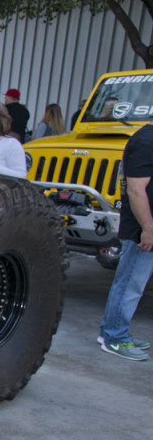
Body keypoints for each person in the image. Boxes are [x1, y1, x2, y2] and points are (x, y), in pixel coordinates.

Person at [97, 122, 153, 361]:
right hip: (141, 229)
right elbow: (136, 191)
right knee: (130, 282)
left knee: (132, 282)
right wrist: (148, 228)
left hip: (146, 226)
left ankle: (113, 331)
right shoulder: (146, 141)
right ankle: (114, 338)